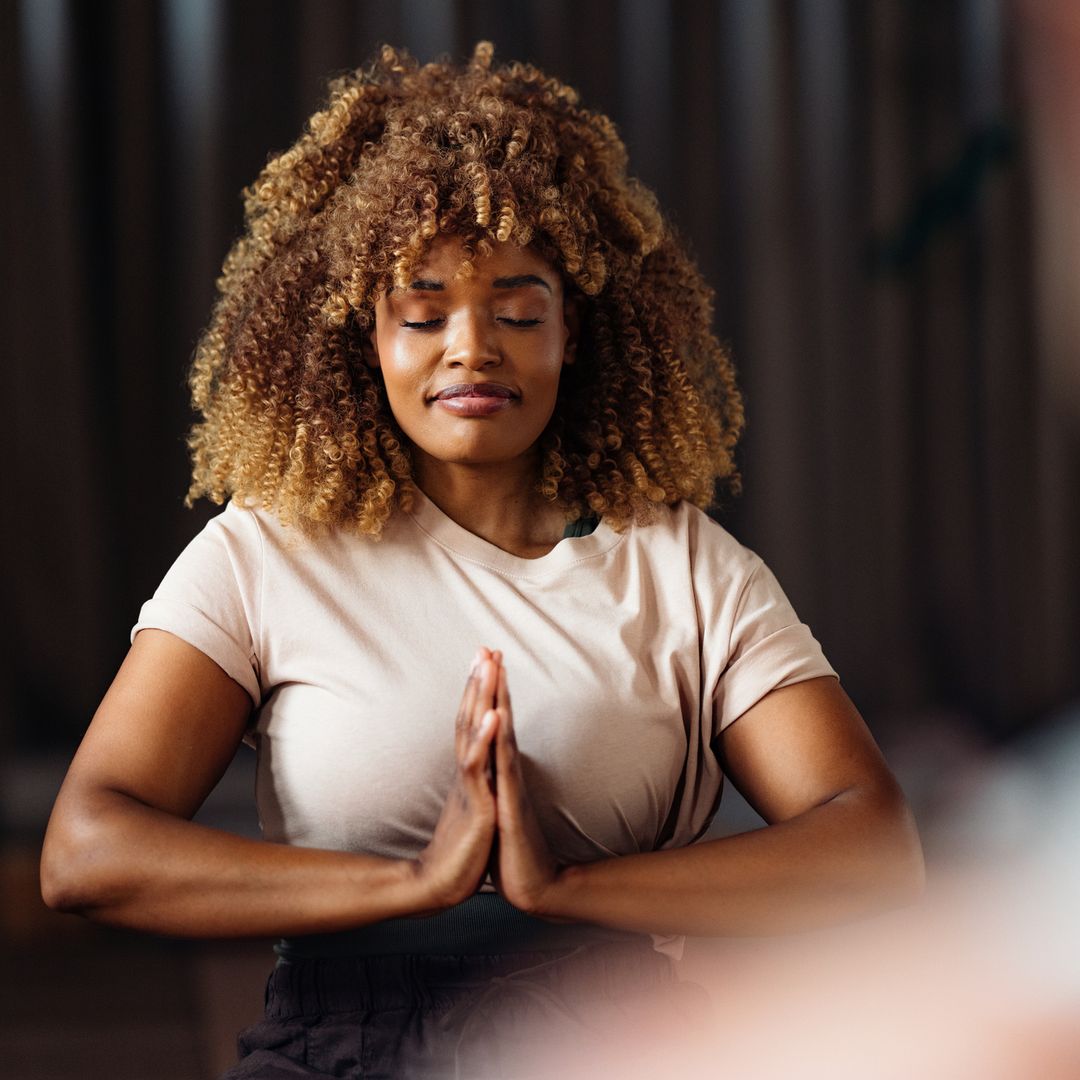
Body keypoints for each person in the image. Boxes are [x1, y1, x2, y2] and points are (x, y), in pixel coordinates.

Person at [40, 42, 924, 1078]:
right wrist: (417, 883)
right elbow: (87, 850)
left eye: (517, 311)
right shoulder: (263, 552)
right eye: (423, 314)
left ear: (574, 334)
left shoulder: (685, 568)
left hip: (610, 1036)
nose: (472, 347)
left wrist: (564, 891)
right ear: (363, 337)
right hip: (339, 1037)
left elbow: (872, 848)